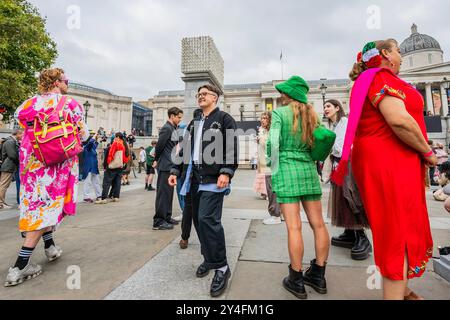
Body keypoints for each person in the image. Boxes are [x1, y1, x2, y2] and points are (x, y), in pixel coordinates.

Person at [335, 39, 436, 300]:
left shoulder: (378, 79)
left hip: (392, 160)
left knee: (399, 226)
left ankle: (402, 290)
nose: (401, 56)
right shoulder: (380, 78)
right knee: (396, 232)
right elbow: (399, 120)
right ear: (385, 54)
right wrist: (427, 151)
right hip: (388, 161)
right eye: (399, 51)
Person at [5, 68, 88, 286]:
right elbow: (84, 134)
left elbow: (22, 126)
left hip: (32, 167)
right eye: (65, 80)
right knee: (44, 211)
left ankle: (50, 246)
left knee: (36, 207)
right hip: (56, 167)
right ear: (57, 82)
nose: (67, 83)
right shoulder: (70, 104)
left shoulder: (26, 104)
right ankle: (20, 266)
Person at [169, 84, 239, 298]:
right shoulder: (194, 122)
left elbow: (230, 146)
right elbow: (185, 148)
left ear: (215, 98)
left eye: (204, 94)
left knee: (208, 219)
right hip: (193, 179)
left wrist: (226, 172)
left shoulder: (224, 119)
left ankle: (222, 267)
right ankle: (209, 258)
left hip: (213, 179)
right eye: (198, 94)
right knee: (199, 221)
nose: (200, 97)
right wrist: (174, 170)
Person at [267, 76, 330, 300]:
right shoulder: (313, 114)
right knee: (319, 224)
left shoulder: (279, 113)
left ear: (288, 94)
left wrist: (273, 167)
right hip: (308, 170)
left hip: (286, 168)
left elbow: (273, 144)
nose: (281, 95)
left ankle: (296, 279)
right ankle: (319, 275)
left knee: (294, 228)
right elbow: (321, 141)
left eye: (284, 92)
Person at [323, 99, 372, 260]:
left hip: (347, 164)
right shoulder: (334, 125)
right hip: (340, 165)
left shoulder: (344, 121)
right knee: (342, 198)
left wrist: (327, 146)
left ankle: (361, 236)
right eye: (324, 107)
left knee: (350, 196)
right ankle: (350, 232)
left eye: (328, 106)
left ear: (338, 108)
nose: (325, 109)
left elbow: (341, 146)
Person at [153, 107, 184, 230]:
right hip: (165, 165)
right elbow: (159, 147)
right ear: (172, 116)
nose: (180, 119)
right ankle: (159, 221)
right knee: (163, 194)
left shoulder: (173, 128)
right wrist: (156, 160)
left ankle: (166, 217)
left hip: (170, 166)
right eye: (178, 117)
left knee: (169, 194)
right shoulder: (166, 128)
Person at [257, 112, 282, 225]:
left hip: (271, 163)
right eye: (262, 118)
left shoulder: (270, 132)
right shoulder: (266, 131)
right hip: (266, 162)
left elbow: (269, 146)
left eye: (265, 118)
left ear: (270, 120)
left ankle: (275, 215)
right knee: (273, 188)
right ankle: (279, 213)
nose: (263, 120)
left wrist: (261, 137)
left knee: (271, 189)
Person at [95, 132, 130, 204]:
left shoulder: (116, 143)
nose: (114, 138)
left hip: (112, 166)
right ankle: (116, 197)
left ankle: (103, 198)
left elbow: (111, 154)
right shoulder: (124, 145)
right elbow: (126, 158)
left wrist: (107, 164)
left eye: (115, 137)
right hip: (120, 166)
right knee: (117, 182)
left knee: (106, 182)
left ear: (117, 137)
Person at [0, 129, 23, 210]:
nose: (22, 136)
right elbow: (12, 155)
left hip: (8, 166)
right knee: (3, 185)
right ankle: (1, 204)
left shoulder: (10, 141)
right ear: (17, 134)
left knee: (4, 185)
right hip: (8, 166)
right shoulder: (10, 141)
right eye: (21, 134)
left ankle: (2, 202)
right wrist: (19, 161)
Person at [82, 130, 102, 203]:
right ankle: (86, 197)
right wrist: (94, 136)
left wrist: (97, 139)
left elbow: (95, 144)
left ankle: (99, 195)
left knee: (96, 181)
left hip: (94, 167)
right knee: (88, 182)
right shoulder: (86, 147)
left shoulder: (92, 148)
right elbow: (91, 143)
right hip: (88, 168)